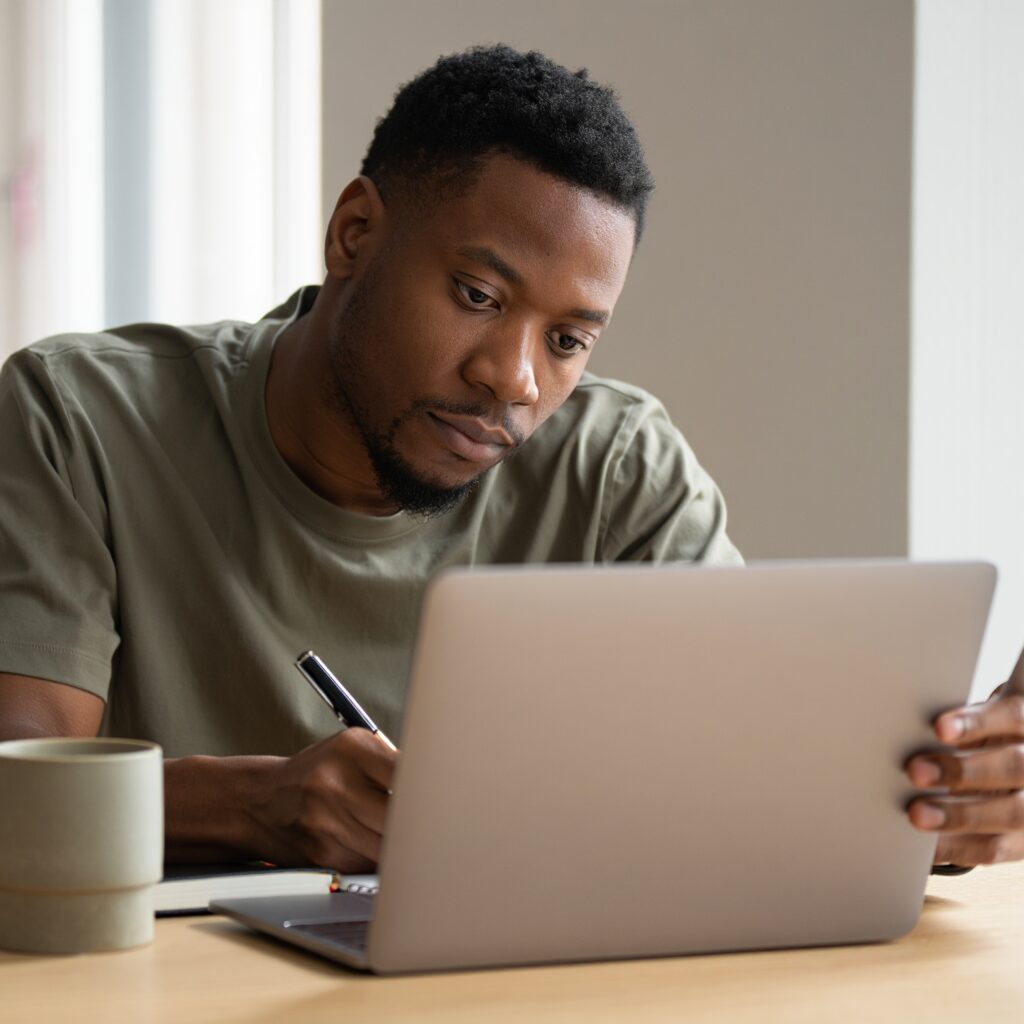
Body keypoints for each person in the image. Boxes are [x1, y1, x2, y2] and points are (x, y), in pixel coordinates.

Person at [0, 46, 1021, 874]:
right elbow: (18, 786)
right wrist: (259, 804)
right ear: (354, 232)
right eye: (479, 297)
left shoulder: (619, 473)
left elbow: (744, 782)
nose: (514, 379)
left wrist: (942, 800)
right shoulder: (78, 416)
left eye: (567, 340)